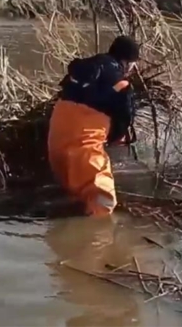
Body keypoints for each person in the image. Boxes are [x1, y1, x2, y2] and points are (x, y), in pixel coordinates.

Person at [47, 35, 139, 217]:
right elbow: (124, 120)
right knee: (103, 200)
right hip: (83, 145)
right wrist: (112, 139)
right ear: (127, 62)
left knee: (75, 195)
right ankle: (95, 233)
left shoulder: (84, 67)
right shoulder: (121, 83)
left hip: (56, 137)